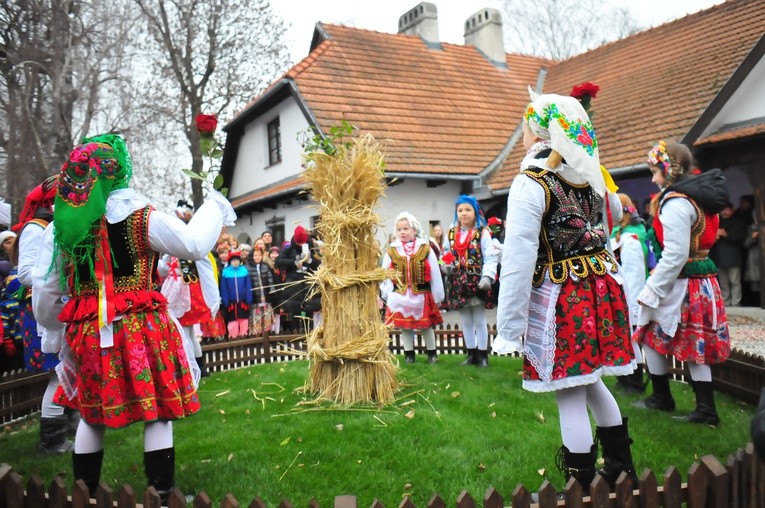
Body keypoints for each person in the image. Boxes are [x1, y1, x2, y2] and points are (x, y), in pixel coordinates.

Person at [31, 134, 235, 500]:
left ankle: (85, 494)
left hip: (89, 330)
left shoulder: (64, 229)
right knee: (156, 411)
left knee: (92, 414)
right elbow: (191, 244)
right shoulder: (142, 217)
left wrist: (52, 329)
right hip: (143, 326)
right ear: (119, 172)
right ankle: (162, 493)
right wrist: (215, 207)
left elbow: (45, 289)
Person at [495, 90, 637, 491]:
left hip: (566, 301)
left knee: (571, 392)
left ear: (536, 130)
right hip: (601, 291)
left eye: (524, 128)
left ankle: (581, 485)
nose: (522, 135)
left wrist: (509, 327)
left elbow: (519, 258)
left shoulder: (532, 182)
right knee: (591, 382)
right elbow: (613, 217)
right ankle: (621, 471)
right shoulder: (591, 175)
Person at [632, 140, 731, 426]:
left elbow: (675, 253)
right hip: (699, 281)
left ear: (668, 169)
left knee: (670, 338)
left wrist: (652, 289)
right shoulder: (700, 197)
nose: (653, 178)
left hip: (682, 282)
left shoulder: (676, 202)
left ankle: (694, 407)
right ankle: (678, 402)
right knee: (668, 337)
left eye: (655, 171)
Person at [13, 175, 76, 454]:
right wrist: (56, 273)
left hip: (57, 304)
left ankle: (73, 424)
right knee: (56, 373)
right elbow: (26, 273)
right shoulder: (35, 229)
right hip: (43, 309)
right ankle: (51, 441)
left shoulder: (51, 226)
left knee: (68, 369)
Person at [158, 199, 221, 379]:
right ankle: (199, 368)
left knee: (185, 333)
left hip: (181, 292)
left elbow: (163, 269)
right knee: (190, 333)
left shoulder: (177, 249)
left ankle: (192, 369)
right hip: (189, 290)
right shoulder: (192, 247)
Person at [380, 212, 444, 364]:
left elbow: (435, 272)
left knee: (426, 326)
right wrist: (388, 293)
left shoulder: (425, 248)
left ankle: (432, 354)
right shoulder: (392, 250)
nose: (402, 232)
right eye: (399, 229)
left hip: (421, 293)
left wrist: (437, 295)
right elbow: (386, 273)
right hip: (401, 294)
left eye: (406, 229)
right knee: (405, 327)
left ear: (414, 230)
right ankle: (409, 354)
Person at [441, 195, 498, 367]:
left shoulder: (483, 232)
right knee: (465, 319)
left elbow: (490, 256)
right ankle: (471, 354)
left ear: (475, 212)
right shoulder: (451, 233)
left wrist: (488, 275)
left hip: (476, 280)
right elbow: (446, 253)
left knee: (479, 319)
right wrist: (446, 265)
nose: (464, 214)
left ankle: (483, 355)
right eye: (460, 210)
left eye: (468, 210)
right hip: (458, 281)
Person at [610, 193, 649, 394]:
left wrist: (631, 308)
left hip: (629, 300)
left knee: (631, 341)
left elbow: (634, 277)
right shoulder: (618, 236)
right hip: (619, 299)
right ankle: (624, 378)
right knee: (620, 340)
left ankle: (634, 382)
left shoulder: (630, 239)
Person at [275, 226, 314, 333]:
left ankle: (309, 330)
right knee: (295, 309)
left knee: (309, 308)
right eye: (299, 243)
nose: (300, 245)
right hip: (294, 284)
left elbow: (319, 263)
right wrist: (293, 263)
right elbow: (278, 262)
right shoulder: (289, 248)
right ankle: (295, 330)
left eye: (302, 243)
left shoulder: (311, 247)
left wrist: (311, 261)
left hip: (308, 282)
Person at [710, 202, 747, 307]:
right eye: (722, 210)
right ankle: (725, 303)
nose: (724, 212)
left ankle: (736, 303)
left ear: (732, 210)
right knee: (723, 283)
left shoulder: (739, 223)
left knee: (735, 281)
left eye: (727, 209)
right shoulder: (717, 223)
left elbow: (741, 239)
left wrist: (726, 235)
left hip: (733, 257)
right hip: (719, 257)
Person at [220, 250, 252, 339]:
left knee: (244, 320)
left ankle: (244, 336)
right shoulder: (225, 272)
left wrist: (249, 298)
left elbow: (248, 285)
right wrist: (225, 300)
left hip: (243, 302)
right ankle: (233, 338)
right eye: (234, 260)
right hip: (231, 302)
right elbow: (223, 288)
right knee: (232, 321)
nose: (236, 262)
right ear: (230, 261)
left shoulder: (244, 270)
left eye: (237, 260)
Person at [247, 248, 275, 338]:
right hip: (255, 296)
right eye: (255, 255)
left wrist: (272, 290)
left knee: (266, 317)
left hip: (265, 295)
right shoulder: (247, 268)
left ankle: (266, 336)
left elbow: (270, 280)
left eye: (259, 255)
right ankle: (257, 337)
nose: (257, 257)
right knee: (256, 317)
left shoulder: (265, 266)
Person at [743, 219, 760, 306]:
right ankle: (756, 304)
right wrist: (752, 238)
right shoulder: (750, 228)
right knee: (755, 286)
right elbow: (745, 244)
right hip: (755, 260)